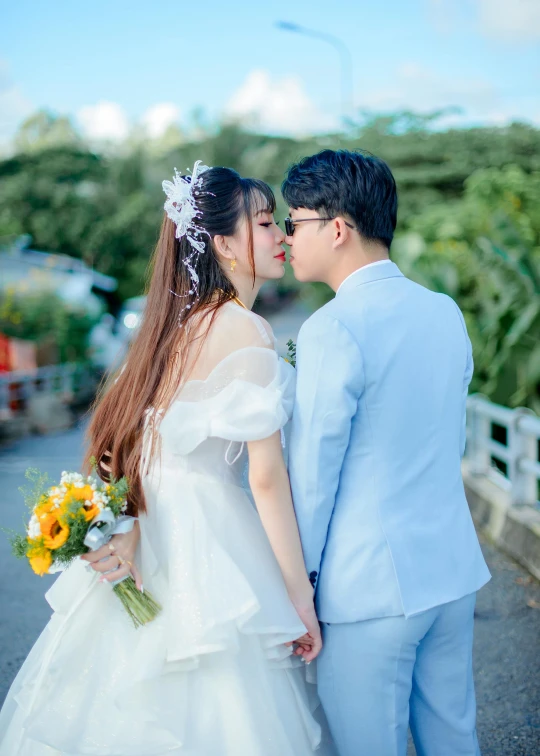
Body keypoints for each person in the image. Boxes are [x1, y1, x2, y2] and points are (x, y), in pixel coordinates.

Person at [0, 163, 335, 755]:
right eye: (264, 223)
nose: (281, 234)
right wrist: (297, 593)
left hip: (151, 528)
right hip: (209, 535)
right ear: (223, 244)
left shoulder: (168, 330)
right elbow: (265, 476)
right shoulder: (245, 329)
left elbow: (120, 447)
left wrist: (122, 521)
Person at [283, 149, 491, 756]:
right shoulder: (444, 312)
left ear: (338, 228)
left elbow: (313, 478)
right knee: (454, 739)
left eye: (295, 223)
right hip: (450, 570)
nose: (290, 238)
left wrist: (303, 587)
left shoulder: (333, 327)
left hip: (367, 588)